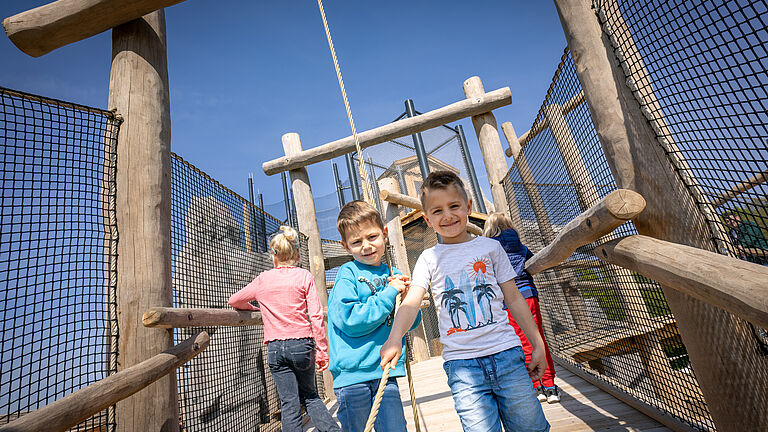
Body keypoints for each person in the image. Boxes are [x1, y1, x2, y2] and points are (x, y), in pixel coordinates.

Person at [381, 171, 550, 432]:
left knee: (530, 427)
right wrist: (394, 339)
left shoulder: (490, 248)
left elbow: (514, 298)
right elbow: (412, 301)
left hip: (506, 354)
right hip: (462, 366)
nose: (447, 215)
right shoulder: (428, 258)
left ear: (468, 206)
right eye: (437, 211)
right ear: (427, 219)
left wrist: (537, 344)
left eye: (454, 206)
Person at [228, 226, 341, 432]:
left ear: (274, 256)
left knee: (289, 402)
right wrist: (323, 350)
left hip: (275, 349)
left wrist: (255, 308)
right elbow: (316, 315)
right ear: (297, 255)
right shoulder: (304, 276)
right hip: (302, 345)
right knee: (310, 396)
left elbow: (234, 300)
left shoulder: (263, 279)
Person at [327, 200, 422, 432]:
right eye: (356, 242)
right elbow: (350, 320)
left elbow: (412, 323)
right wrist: (389, 294)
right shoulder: (348, 274)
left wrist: (407, 299)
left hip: (386, 371)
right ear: (346, 246)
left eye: (372, 237)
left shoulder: (393, 274)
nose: (366, 246)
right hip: (353, 377)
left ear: (385, 234)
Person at [483, 212, 560, 404]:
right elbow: (532, 260)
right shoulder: (520, 246)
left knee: (521, 341)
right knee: (538, 339)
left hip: (509, 301)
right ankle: (550, 386)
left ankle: (536, 387)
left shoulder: (489, 248)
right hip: (528, 295)